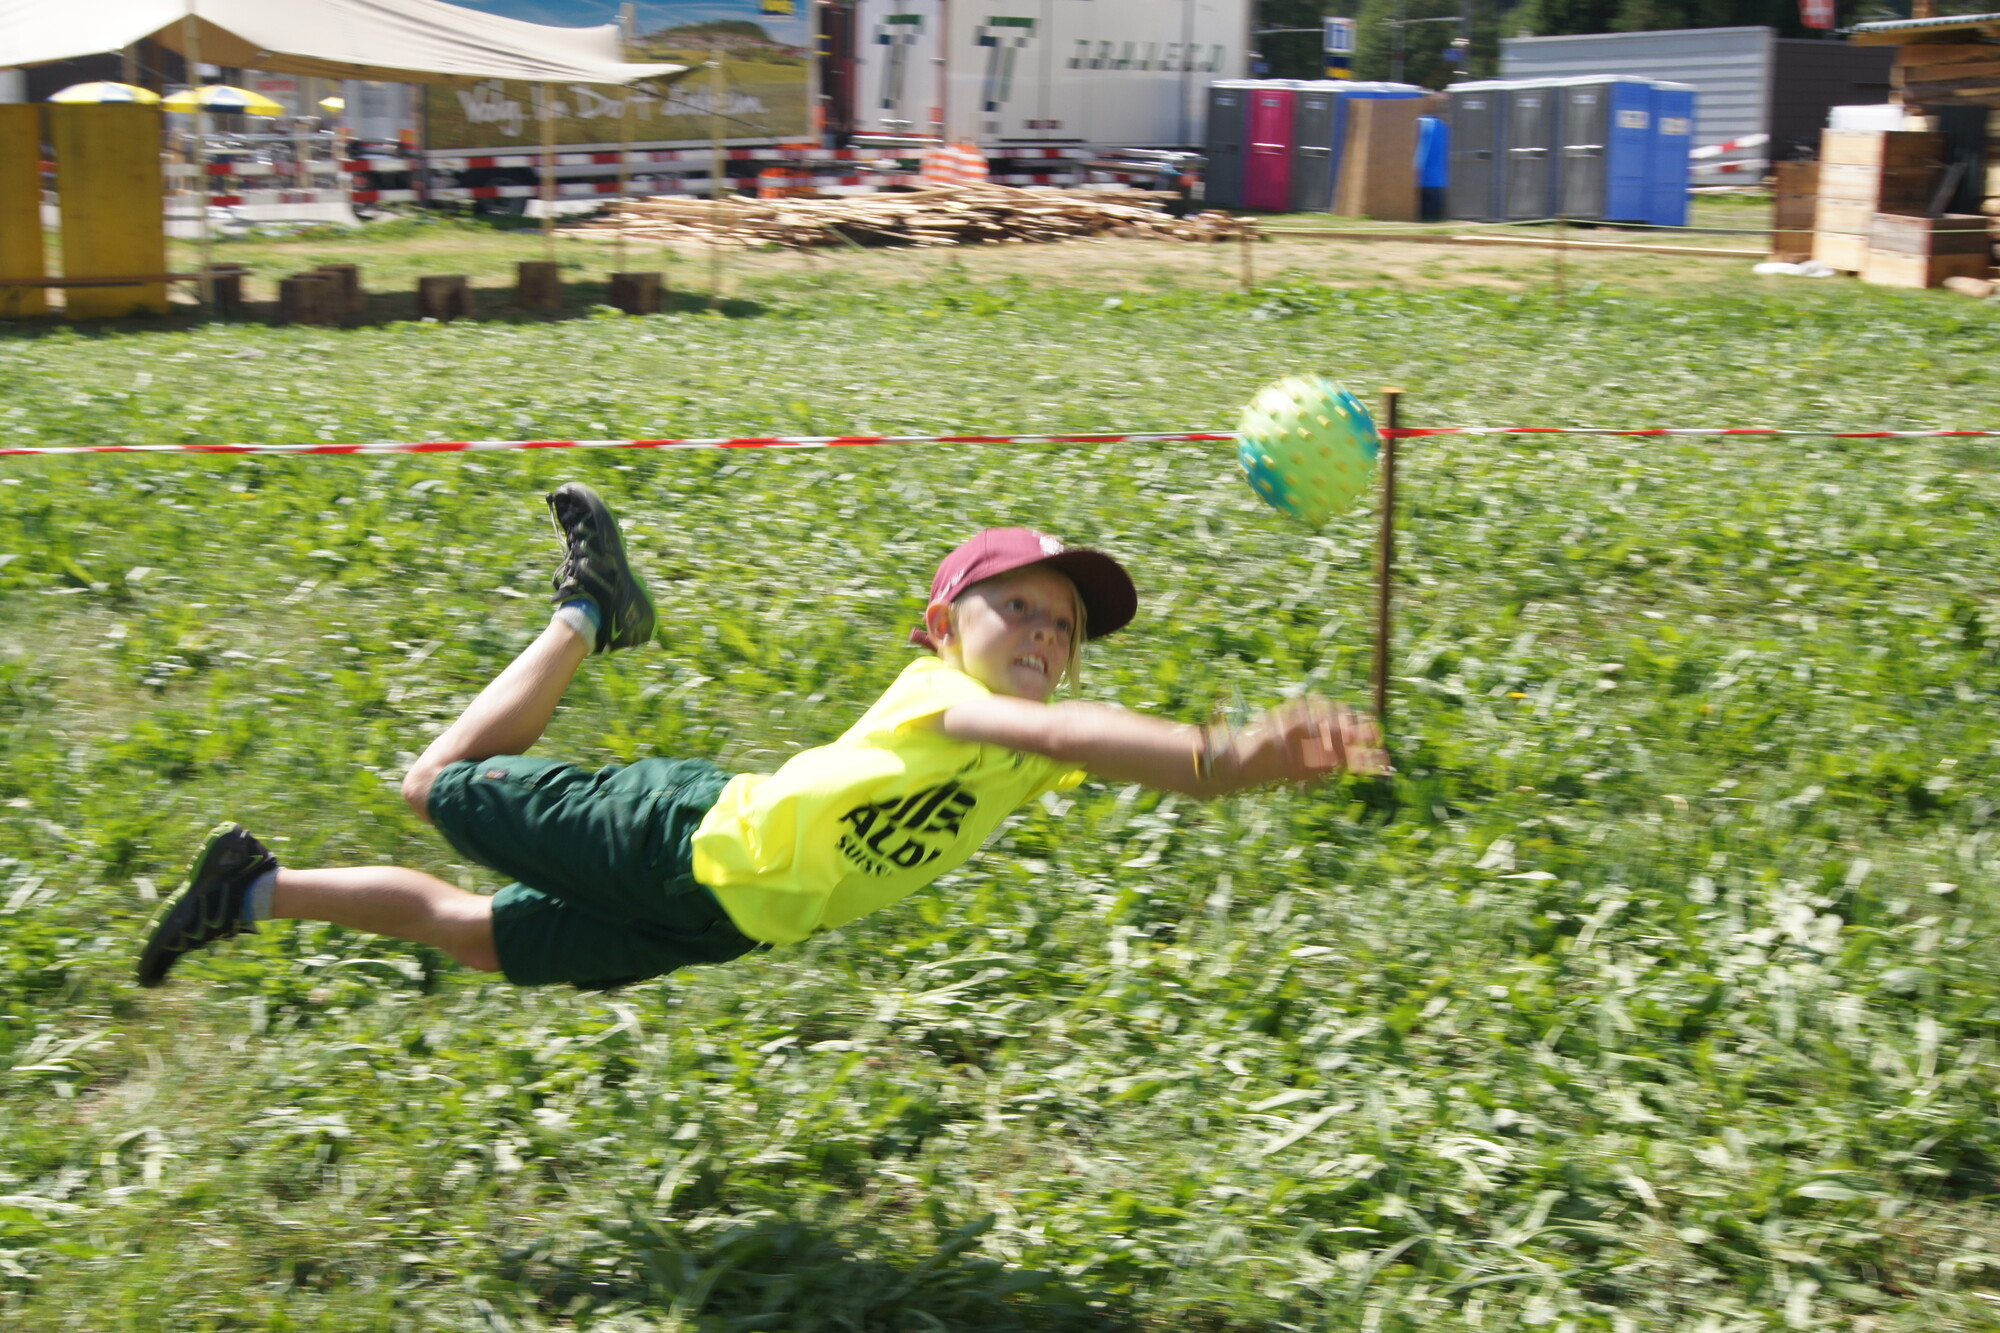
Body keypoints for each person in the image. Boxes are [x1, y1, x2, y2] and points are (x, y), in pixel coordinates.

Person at [137, 483, 1389, 991]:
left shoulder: (1025, 738)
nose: (1045, 634)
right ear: (941, 626)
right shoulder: (941, 699)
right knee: (434, 786)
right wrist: (1222, 757)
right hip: (682, 841)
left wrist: (1223, 765)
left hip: (724, 921)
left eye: (1064, 626)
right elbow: (1080, 735)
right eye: (1018, 606)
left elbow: (1080, 732)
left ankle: (247, 890)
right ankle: (591, 609)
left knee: (477, 935)